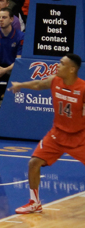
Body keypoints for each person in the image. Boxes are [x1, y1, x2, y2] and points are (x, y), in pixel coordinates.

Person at [8, 55, 85, 214]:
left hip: (80, 137)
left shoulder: (83, 88)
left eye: (62, 64)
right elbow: (38, 84)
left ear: (72, 69)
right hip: (57, 135)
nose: (58, 66)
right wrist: (21, 84)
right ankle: (34, 203)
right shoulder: (55, 80)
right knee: (33, 163)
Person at [0, 8, 22, 83]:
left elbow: (19, 60)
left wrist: (5, 70)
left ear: (11, 19)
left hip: (14, 69)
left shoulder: (20, 37)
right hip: (0, 68)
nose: (1, 20)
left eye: (4, 17)